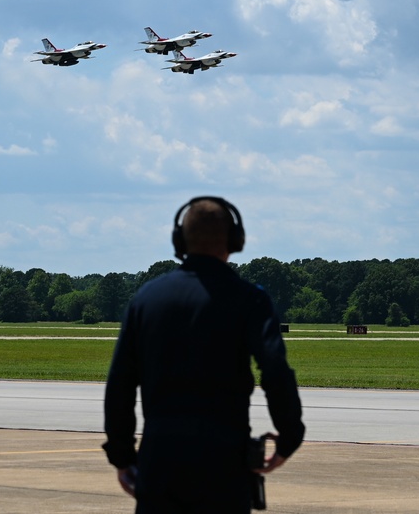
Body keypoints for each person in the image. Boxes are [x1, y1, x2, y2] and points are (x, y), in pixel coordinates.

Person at [103, 196, 305, 513]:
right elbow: (275, 369)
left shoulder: (146, 298)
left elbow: (120, 384)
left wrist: (122, 456)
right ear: (235, 240)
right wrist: (289, 438)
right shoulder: (250, 299)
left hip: (160, 462)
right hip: (224, 463)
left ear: (180, 240)